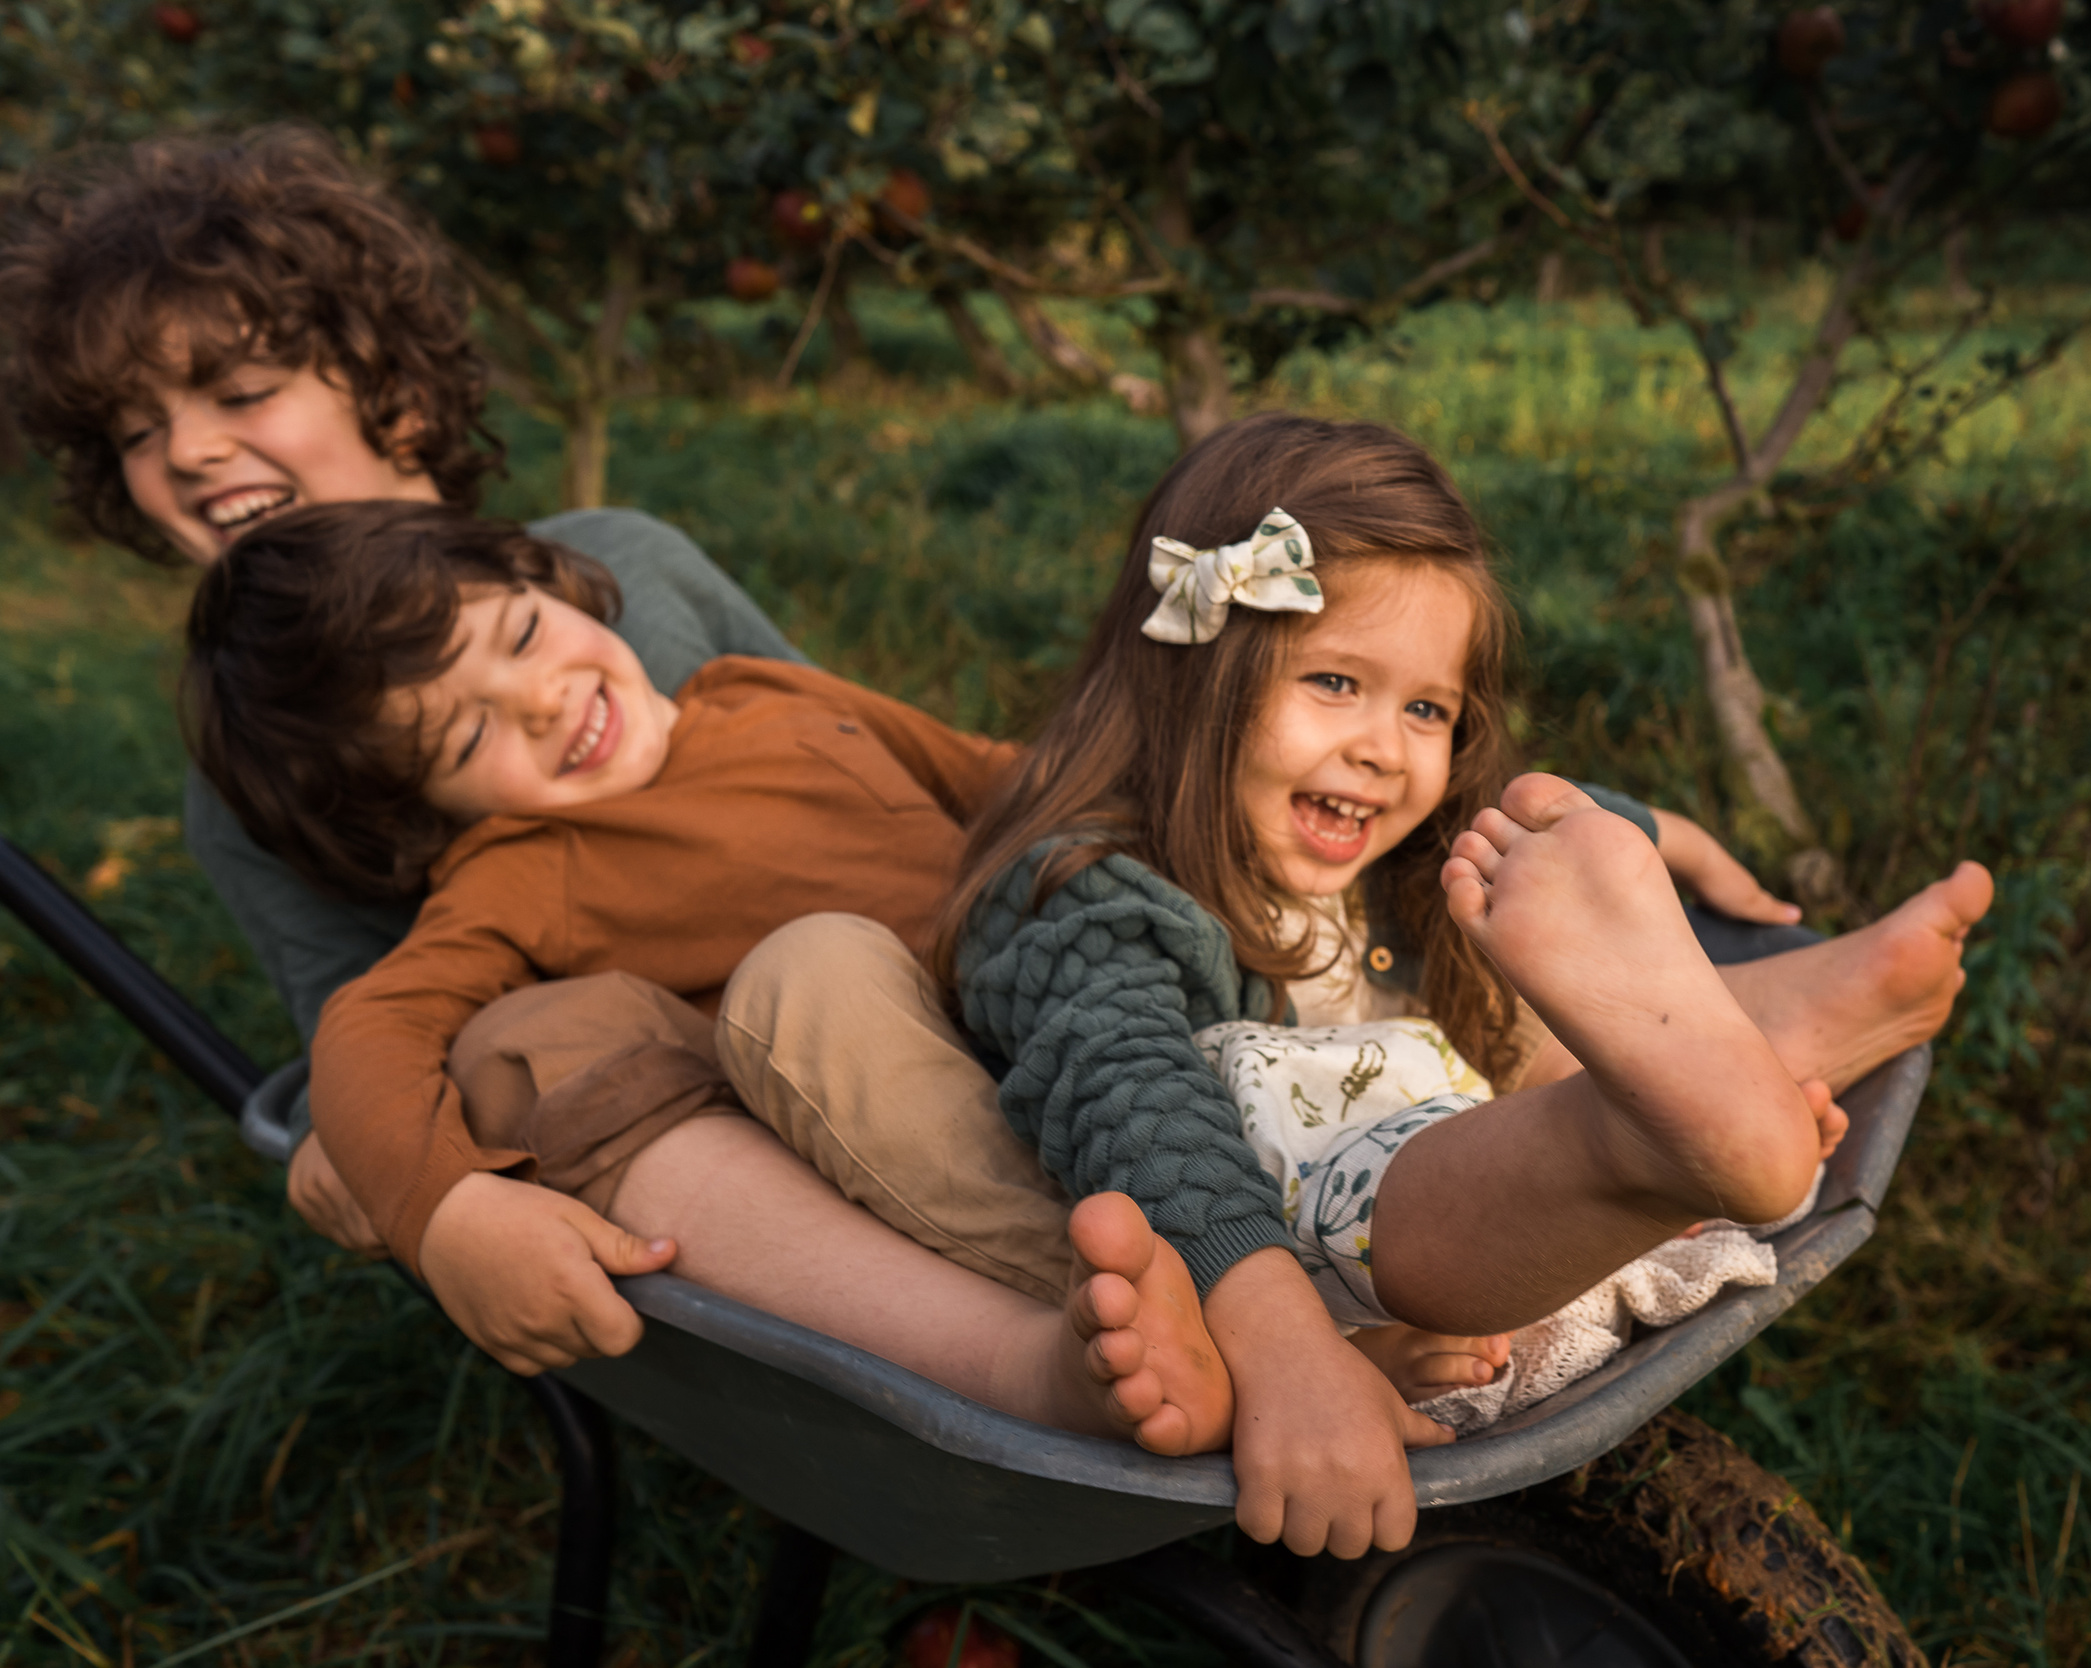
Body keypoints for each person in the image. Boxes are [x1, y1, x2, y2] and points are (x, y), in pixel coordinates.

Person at [0, 126, 1226, 1431]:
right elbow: (350, 1027)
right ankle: (1014, 1357)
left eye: (238, 391)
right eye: (139, 428)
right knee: (530, 1043)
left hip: (971, 987)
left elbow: (896, 770)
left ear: (395, 396)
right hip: (727, 1114)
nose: (187, 450)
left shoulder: (629, 569)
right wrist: (402, 1178)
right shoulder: (263, 783)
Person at [718, 415, 1995, 1557]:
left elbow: (1515, 832)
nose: (1385, 751)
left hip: (1468, 1190)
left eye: (1429, 710)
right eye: (1335, 682)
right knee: (1303, 1111)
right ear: (1192, 669)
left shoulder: (1376, 843)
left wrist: (1637, 832)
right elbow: (1136, 1101)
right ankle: (1656, 1135)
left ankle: (1695, 1089)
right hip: (1287, 1242)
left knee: (1480, 912)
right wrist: (1282, 1355)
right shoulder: (1082, 889)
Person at [180, 500, 1232, 1447]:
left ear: (551, 582)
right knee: (813, 972)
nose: (540, 701)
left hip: (1102, 1026)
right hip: (937, 1134)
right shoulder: (516, 873)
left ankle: (1279, 1248)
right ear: (412, 814)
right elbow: (369, 1028)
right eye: (468, 733)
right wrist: (447, 1213)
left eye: (524, 635)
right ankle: (1169, 1305)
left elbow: (1000, 781)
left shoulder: (757, 693)